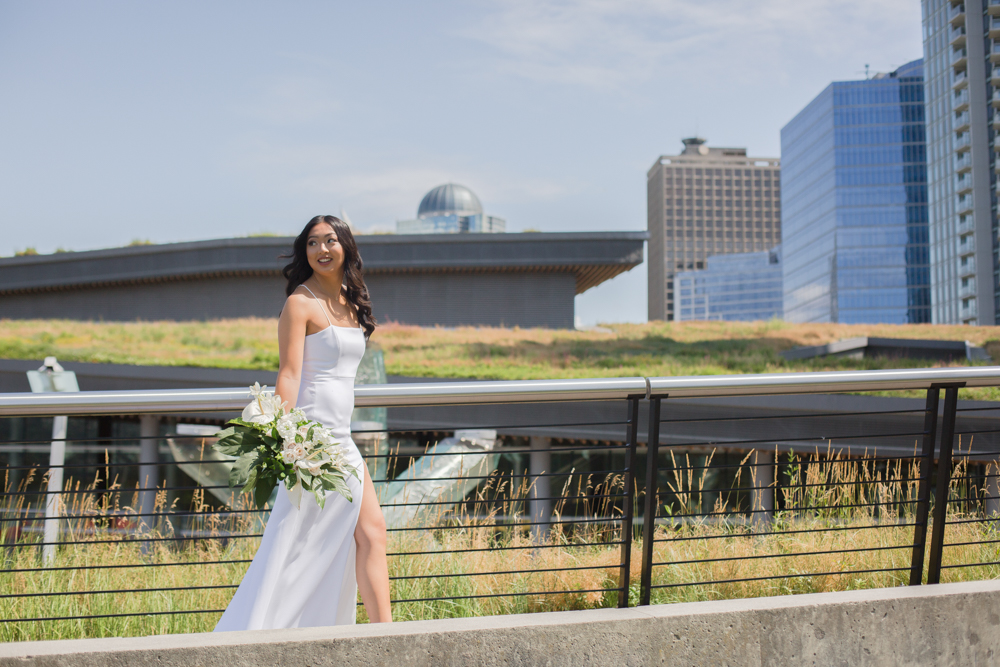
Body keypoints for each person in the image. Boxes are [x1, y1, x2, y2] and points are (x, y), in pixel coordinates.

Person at [215, 215, 391, 630]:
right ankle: (265, 631)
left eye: (330, 241)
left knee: (372, 533)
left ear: (345, 246)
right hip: (310, 442)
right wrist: (284, 440)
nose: (322, 250)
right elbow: (290, 374)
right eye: (312, 243)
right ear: (305, 251)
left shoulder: (351, 300)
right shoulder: (300, 303)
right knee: (298, 544)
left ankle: (388, 637)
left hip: (343, 440)